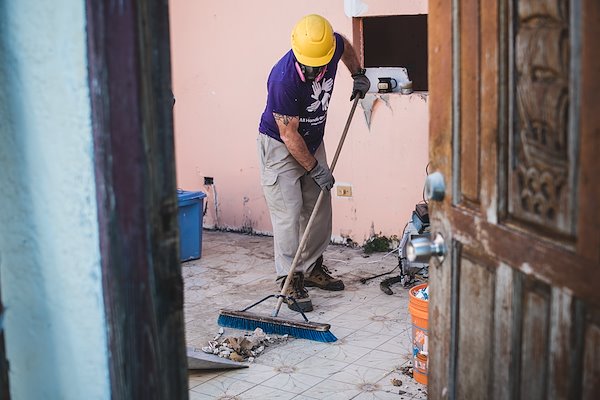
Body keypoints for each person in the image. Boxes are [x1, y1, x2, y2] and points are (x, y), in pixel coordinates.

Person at [257, 14, 370, 313]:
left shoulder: (329, 48)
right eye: (308, 64)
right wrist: (315, 168)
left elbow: (344, 45)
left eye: (318, 64)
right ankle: (290, 279)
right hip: (280, 146)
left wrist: (358, 73)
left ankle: (312, 267)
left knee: (319, 205)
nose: (313, 69)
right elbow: (288, 134)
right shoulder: (283, 79)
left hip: (311, 140)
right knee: (289, 213)